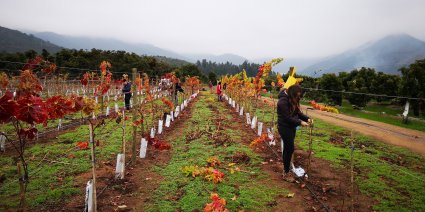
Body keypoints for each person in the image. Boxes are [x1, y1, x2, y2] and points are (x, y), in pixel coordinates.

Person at [277, 85, 313, 182]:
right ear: (291, 94)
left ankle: (286, 169)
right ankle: (286, 172)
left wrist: (307, 118)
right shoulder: (282, 102)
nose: (298, 98)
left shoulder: (293, 99)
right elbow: (287, 118)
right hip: (284, 127)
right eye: (296, 96)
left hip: (291, 127)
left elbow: (298, 112)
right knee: (289, 148)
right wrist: (300, 122)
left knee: (289, 149)